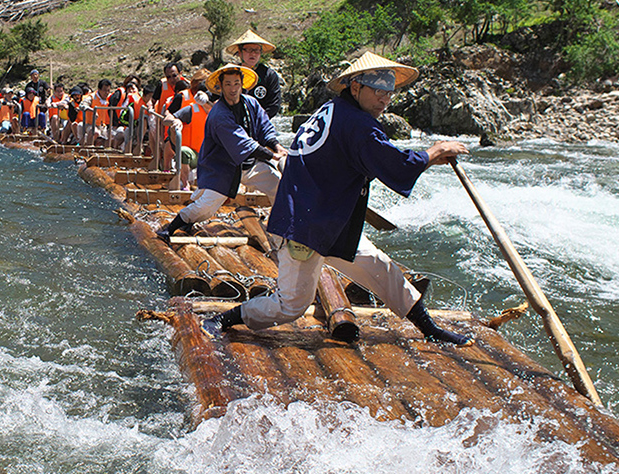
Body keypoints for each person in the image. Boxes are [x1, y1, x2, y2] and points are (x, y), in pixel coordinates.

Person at [200, 51, 475, 347]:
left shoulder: (334, 110)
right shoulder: (356, 123)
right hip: (304, 224)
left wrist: (425, 159)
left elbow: (363, 159)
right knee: (291, 305)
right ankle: (223, 319)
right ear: (355, 87)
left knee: (379, 265)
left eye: (389, 92)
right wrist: (433, 153)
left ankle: (429, 328)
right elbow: (394, 163)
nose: (385, 99)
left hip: (331, 217)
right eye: (378, 91)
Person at [157, 64, 287, 240]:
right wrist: (272, 155)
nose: (233, 89)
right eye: (228, 84)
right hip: (222, 169)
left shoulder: (252, 103)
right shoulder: (219, 114)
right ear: (220, 86)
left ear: (242, 85)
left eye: (236, 84)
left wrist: (277, 146)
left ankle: (281, 231)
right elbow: (241, 142)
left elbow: (265, 127)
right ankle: (171, 228)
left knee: (279, 185)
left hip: (250, 164)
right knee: (205, 208)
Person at [226, 29, 281, 118]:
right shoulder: (230, 74)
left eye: (257, 50)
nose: (253, 54)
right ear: (240, 52)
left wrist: (258, 121)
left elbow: (274, 105)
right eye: (249, 50)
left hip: (260, 123)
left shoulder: (269, 75)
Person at [81, 79, 112, 145]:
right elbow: (82, 105)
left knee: (110, 137)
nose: (106, 93)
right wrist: (92, 110)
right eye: (104, 90)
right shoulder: (92, 97)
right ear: (99, 89)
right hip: (90, 124)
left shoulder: (109, 98)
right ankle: (88, 149)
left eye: (108, 90)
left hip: (102, 125)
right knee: (95, 132)